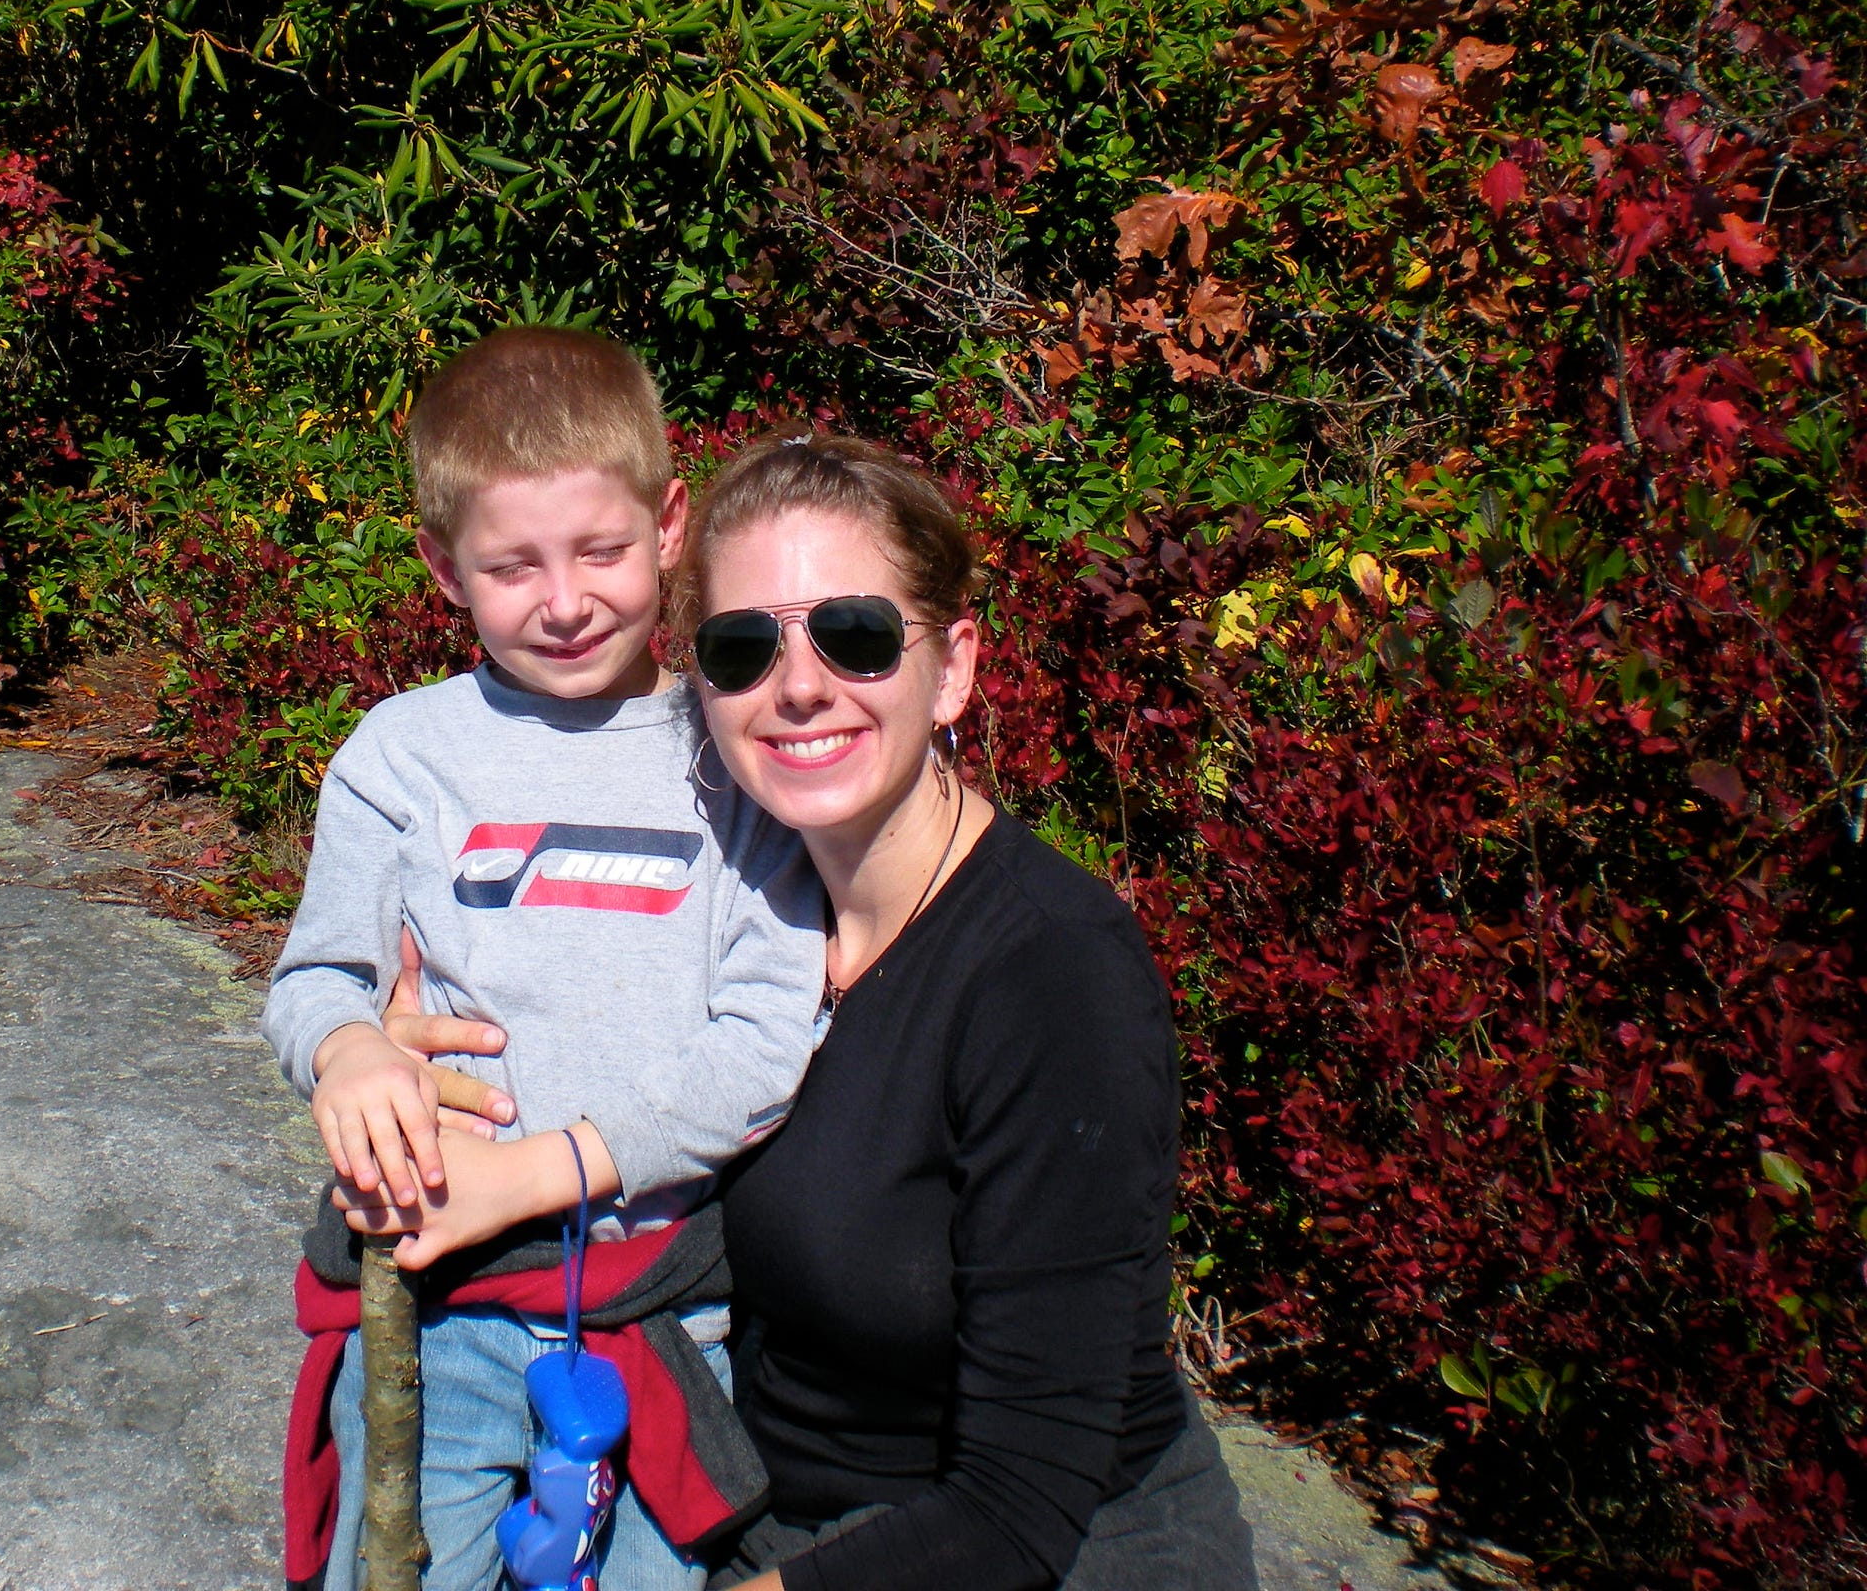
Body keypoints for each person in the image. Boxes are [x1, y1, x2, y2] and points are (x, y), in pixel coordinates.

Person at [384, 431, 1259, 1591]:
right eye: (743, 649)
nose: (798, 687)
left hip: (1019, 1556)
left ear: (951, 669)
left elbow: (1018, 1506)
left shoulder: (1053, 978)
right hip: (763, 1517)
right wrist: (402, 1067)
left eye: (853, 635)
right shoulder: (730, 920)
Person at [264, 329, 825, 1591]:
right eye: (511, 566)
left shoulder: (733, 752)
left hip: (665, 1314)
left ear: (671, 524)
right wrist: (347, 1047)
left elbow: (764, 1043)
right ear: (441, 568)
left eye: (602, 551)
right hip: (442, 1299)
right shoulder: (402, 755)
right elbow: (315, 979)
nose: (564, 601)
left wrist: (527, 1175)